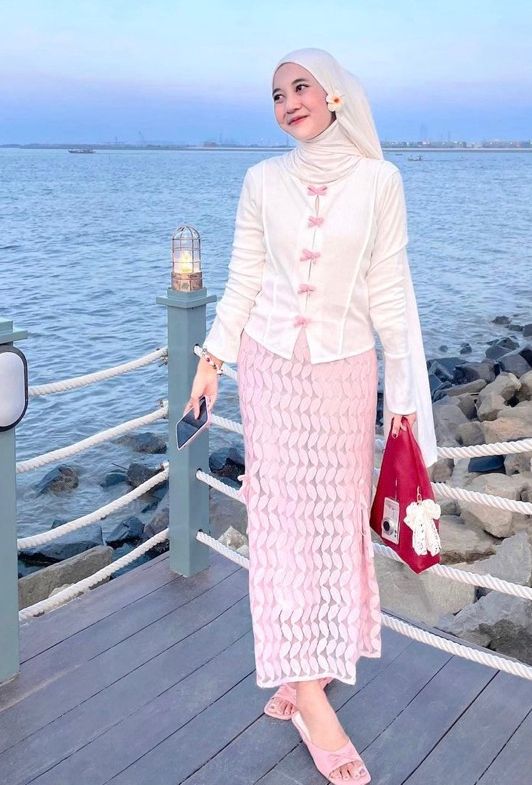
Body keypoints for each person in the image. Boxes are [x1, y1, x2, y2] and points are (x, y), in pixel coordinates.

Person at [185, 47, 437, 784]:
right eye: (276, 94)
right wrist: (211, 360)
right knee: (281, 527)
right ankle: (308, 693)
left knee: (333, 526)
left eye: (300, 87)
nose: (288, 101)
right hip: (270, 373)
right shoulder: (261, 181)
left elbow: (388, 293)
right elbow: (243, 279)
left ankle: (314, 664)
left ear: (334, 96)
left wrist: (403, 400)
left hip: (346, 376)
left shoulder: (381, 182)